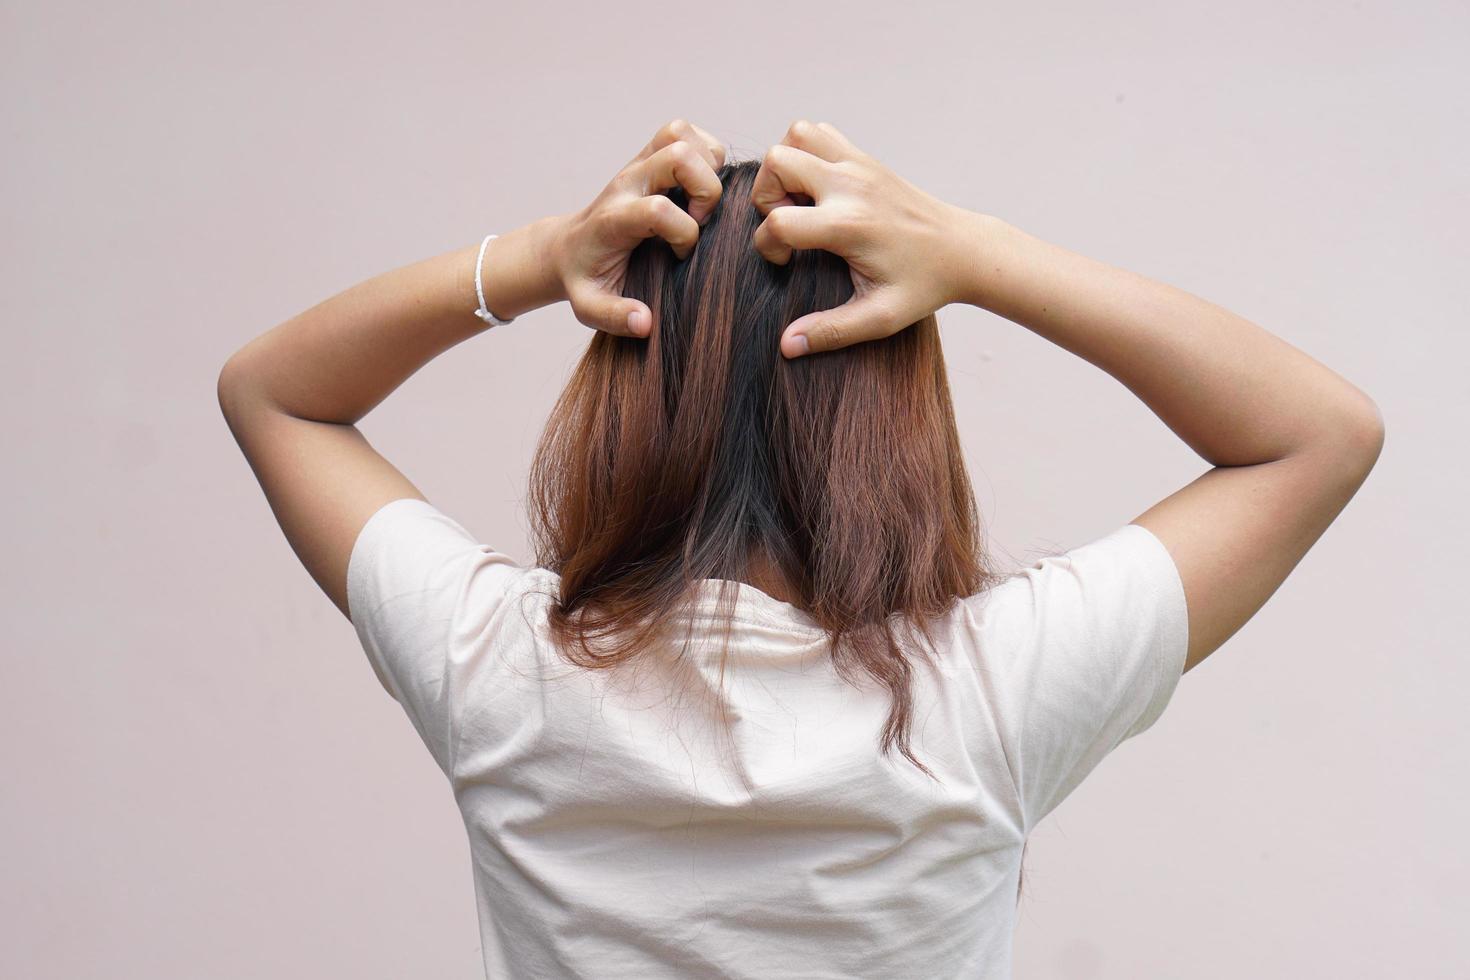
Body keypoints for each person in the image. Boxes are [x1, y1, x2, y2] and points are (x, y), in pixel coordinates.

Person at [217, 119, 1384, 979]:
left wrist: (536, 258)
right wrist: (976, 254)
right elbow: (1319, 435)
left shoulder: (503, 670)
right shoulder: (989, 686)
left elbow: (273, 393)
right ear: (895, 405)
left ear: (632, 388)